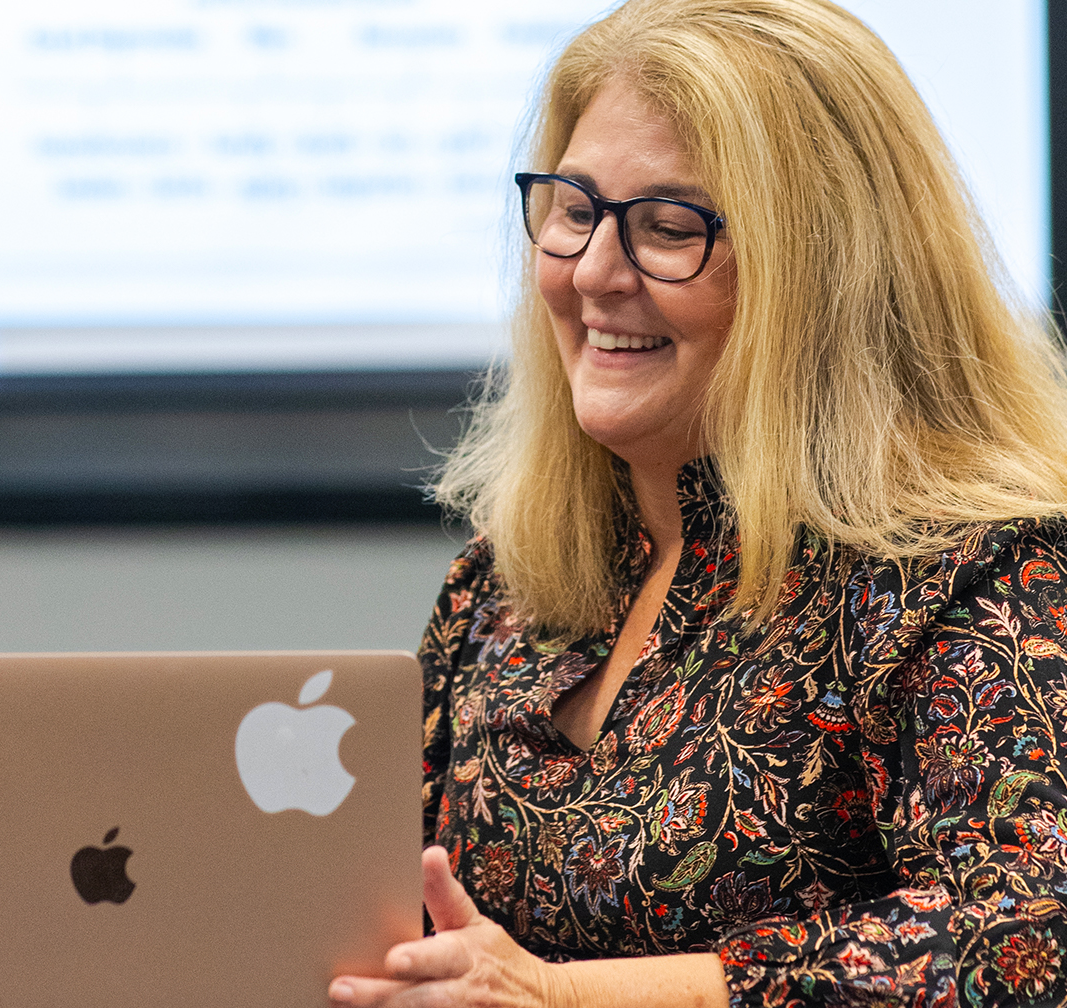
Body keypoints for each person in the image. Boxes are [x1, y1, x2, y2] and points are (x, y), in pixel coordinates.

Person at [328, 1, 1067, 1006]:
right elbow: (395, 914)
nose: (591, 272)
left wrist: (557, 998)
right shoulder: (505, 584)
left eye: (668, 228)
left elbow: (1024, 937)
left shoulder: (982, 567)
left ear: (825, 275)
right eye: (576, 211)